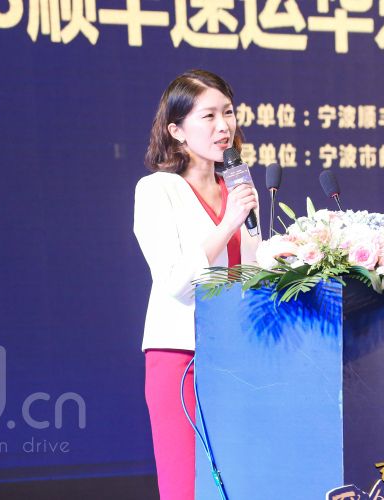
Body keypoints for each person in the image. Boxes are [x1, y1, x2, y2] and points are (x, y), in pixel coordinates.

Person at [133, 69, 261, 499]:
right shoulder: (157, 190)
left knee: (243, 480)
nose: (223, 126)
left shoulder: (237, 187)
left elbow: (249, 270)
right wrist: (228, 224)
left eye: (228, 112)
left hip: (240, 355)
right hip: (182, 357)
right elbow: (175, 280)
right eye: (208, 116)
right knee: (186, 484)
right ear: (177, 130)